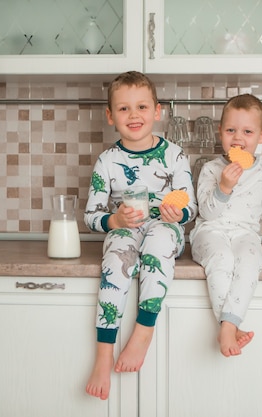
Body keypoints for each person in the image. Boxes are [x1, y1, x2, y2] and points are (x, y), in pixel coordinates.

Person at [84, 71, 197, 400]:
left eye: (142, 107)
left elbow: (190, 206)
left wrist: (180, 213)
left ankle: (144, 330)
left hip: (165, 228)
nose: (134, 115)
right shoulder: (106, 161)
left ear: (157, 111)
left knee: (160, 239)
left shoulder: (175, 156)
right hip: (127, 231)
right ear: (110, 116)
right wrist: (115, 220)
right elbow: (91, 216)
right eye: (123, 109)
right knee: (114, 261)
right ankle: (103, 353)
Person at [189, 94, 262, 357]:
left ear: (261, 136)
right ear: (220, 132)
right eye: (231, 130)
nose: (238, 138)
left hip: (245, 233)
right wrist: (224, 187)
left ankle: (228, 324)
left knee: (250, 259)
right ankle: (229, 327)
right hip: (210, 232)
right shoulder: (210, 169)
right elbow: (207, 214)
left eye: (247, 131)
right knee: (222, 258)